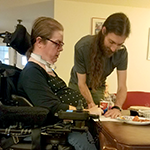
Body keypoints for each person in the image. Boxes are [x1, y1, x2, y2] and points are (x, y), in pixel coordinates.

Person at [17, 16, 103, 150]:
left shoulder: (45, 69)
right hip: (61, 132)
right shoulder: (31, 73)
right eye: (57, 43)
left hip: (72, 127)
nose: (61, 49)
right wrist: (86, 112)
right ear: (39, 42)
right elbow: (53, 108)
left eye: (61, 44)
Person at [68, 12, 131, 118]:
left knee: (99, 121)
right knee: (78, 118)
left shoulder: (122, 52)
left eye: (119, 44)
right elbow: (81, 84)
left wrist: (117, 107)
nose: (113, 49)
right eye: (111, 42)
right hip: (78, 87)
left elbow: (122, 86)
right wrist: (91, 105)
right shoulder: (83, 47)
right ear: (104, 31)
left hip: (98, 87)